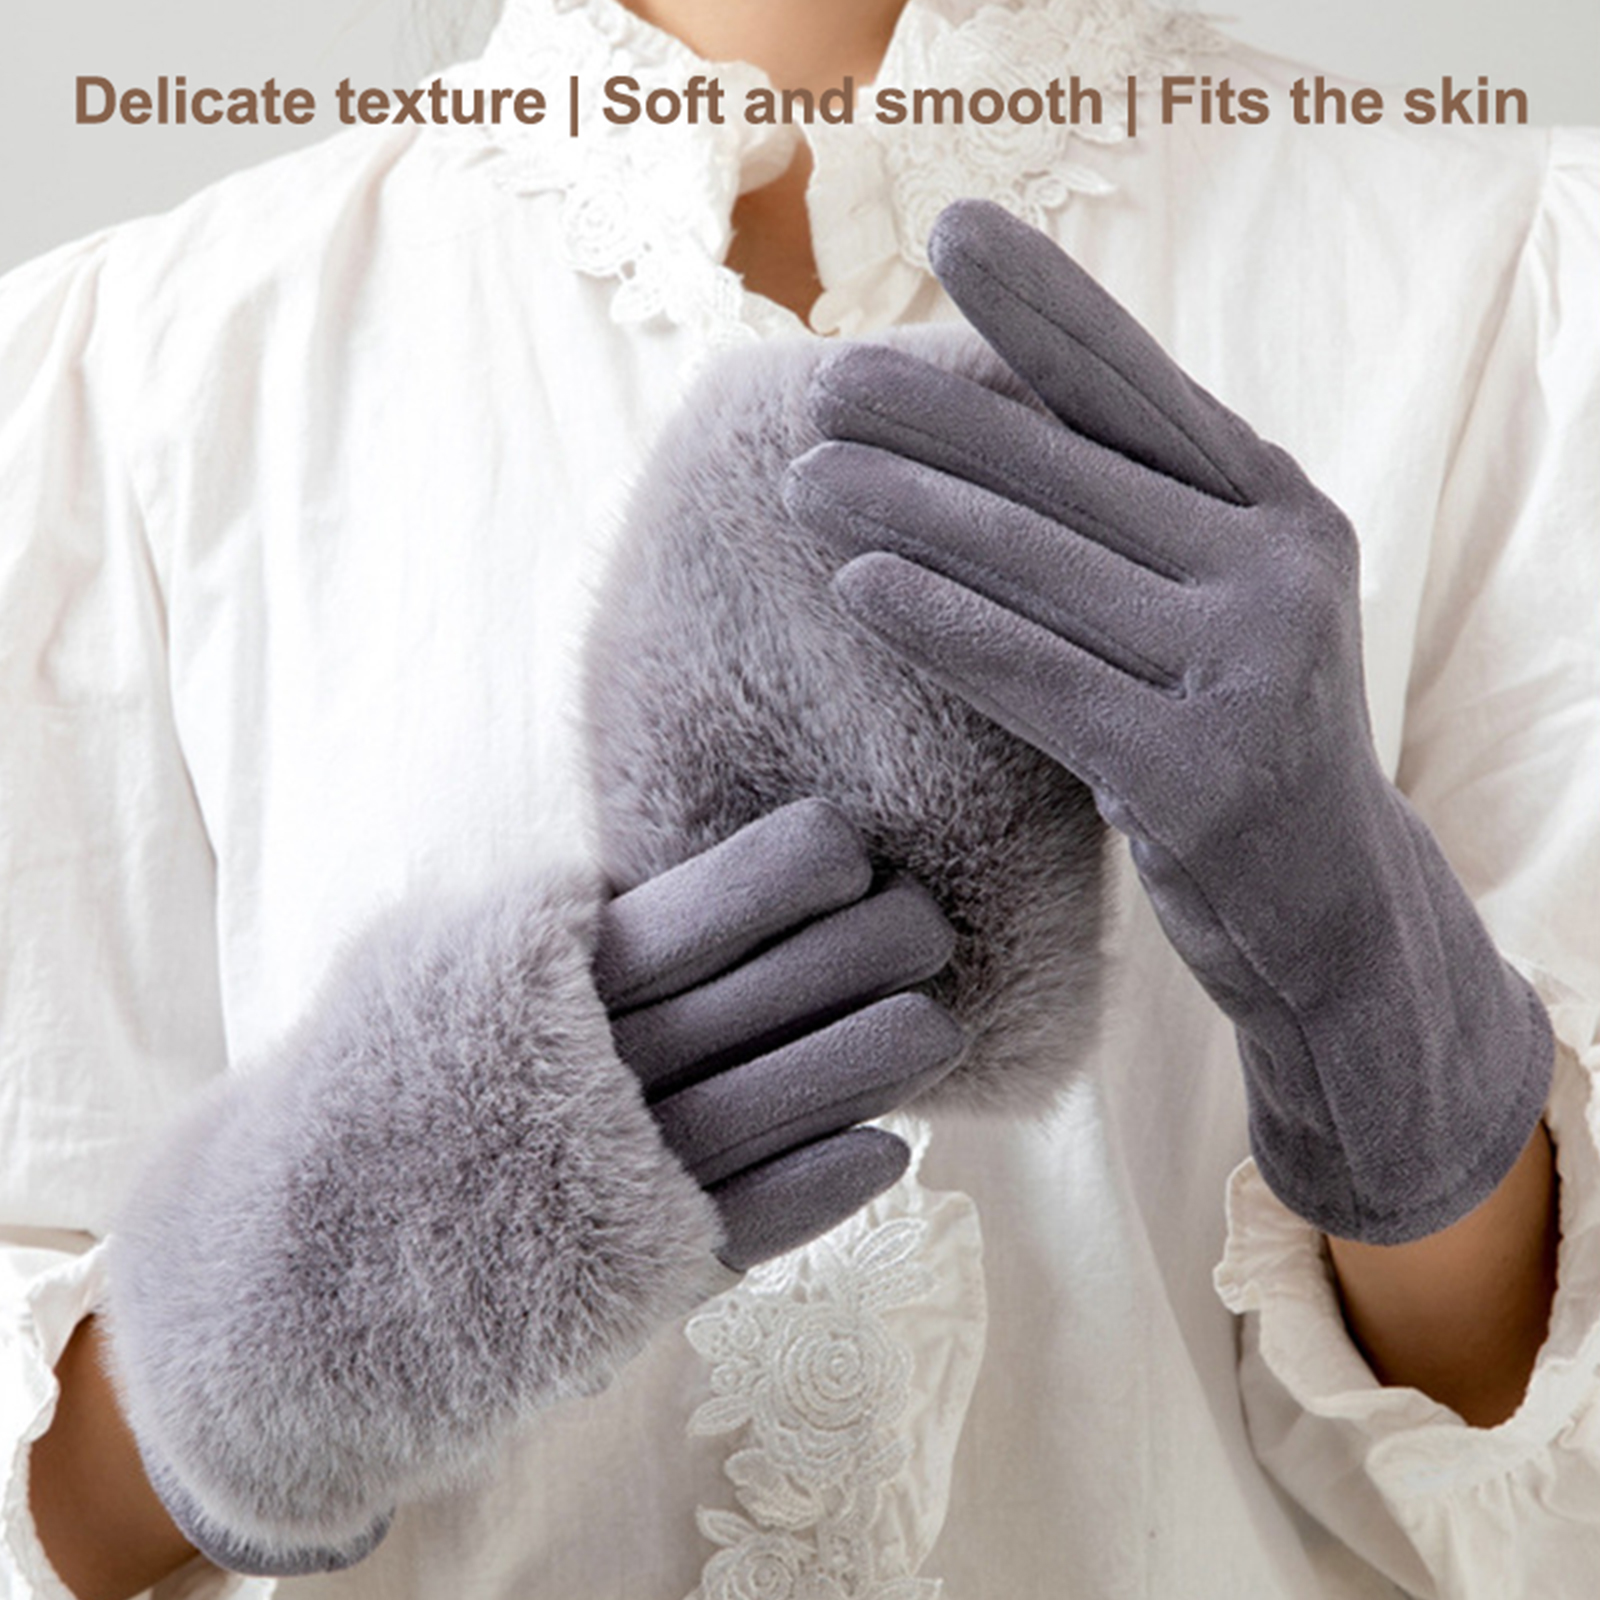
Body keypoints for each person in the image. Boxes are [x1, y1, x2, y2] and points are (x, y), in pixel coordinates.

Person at [3, 0, 1597, 1595]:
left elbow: (1537, 1504)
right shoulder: (147, 387)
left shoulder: (1483, 284)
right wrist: (332, 1301)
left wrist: (1380, 1008)